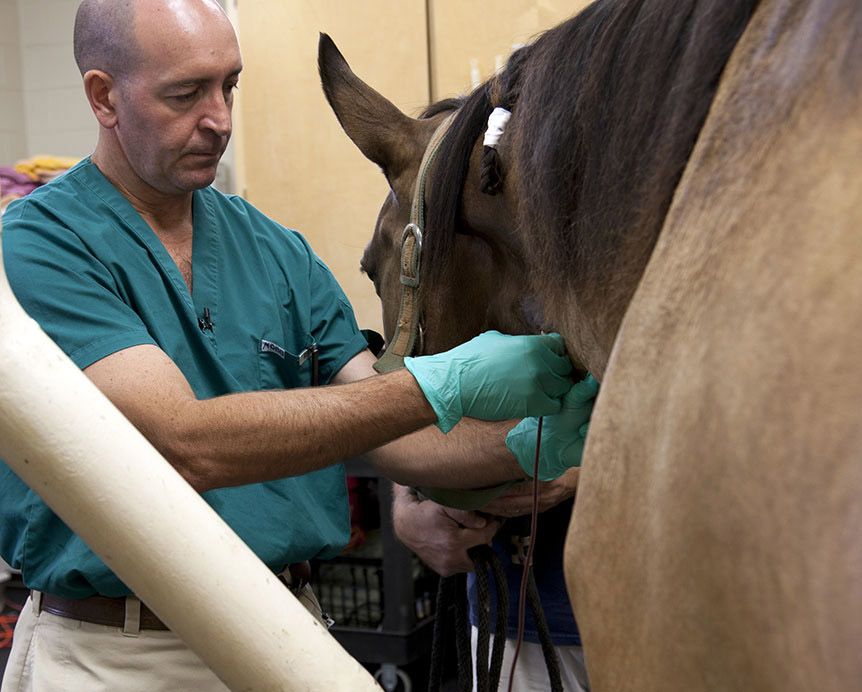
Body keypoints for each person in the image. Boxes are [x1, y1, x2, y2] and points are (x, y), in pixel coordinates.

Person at [0, 1, 594, 690]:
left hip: (286, 630)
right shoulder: (41, 245)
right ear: (104, 96)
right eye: (185, 94)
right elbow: (178, 443)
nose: (218, 117)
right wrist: (441, 383)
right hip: (123, 652)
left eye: (230, 85)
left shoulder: (279, 254)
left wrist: (542, 440)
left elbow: (397, 435)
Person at [393, 474, 590, 692]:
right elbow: (405, 443)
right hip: (512, 608)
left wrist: (582, 468)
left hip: (621, 608)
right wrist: (406, 497)